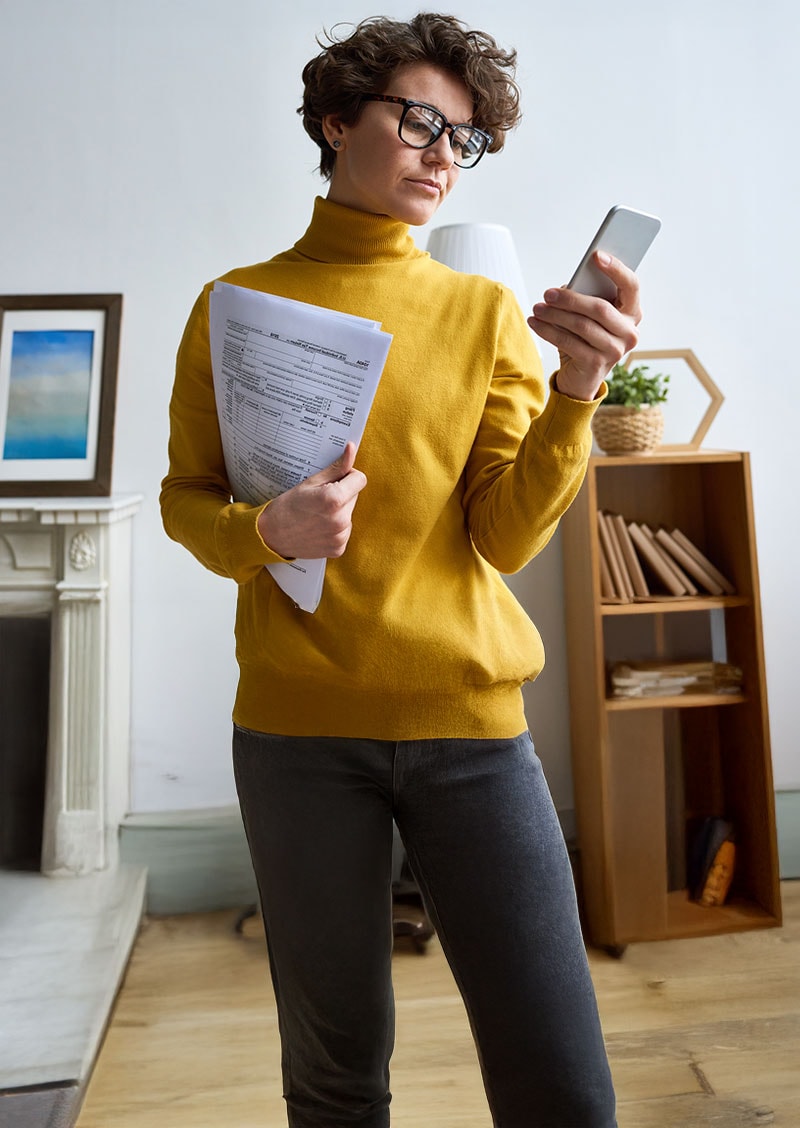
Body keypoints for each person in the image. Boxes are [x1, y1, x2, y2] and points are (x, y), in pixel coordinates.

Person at [160, 12, 641, 1127]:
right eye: (418, 120)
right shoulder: (233, 304)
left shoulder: (477, 310)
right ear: (335, 122)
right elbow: (190, 499)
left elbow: (508, 536)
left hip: (470, 727)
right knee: (334, 1072)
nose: (441, 153)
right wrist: (264, 534)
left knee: (556, 1070)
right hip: (294, 734)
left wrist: (574, 392)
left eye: (461, 137)